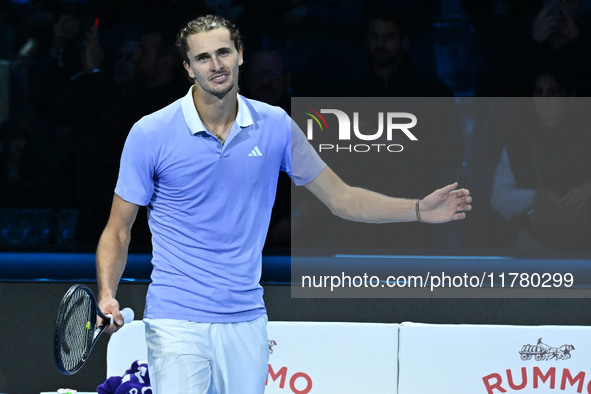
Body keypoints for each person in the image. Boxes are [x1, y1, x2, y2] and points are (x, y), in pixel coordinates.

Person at [96, 14, 472, 394]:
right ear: (188, 68)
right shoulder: (151, 132)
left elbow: (341, 198)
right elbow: (118, 228)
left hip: (246, 320)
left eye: (224, 52)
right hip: (176, 320)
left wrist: (420, 210)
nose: (216, 65)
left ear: (240, 54)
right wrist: (108, 292)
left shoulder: (275, 124)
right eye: (204, 57)